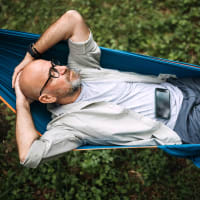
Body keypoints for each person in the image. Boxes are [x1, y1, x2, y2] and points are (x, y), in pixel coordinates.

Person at [12, 10, 199, 168]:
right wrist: (21, 102)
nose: (62, 68)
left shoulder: (83, 68)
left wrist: (31, 54)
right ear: (46, 98)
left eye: (55, 64)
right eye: (53, 74)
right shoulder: (69, 126)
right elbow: (29, 154)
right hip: (183, 123)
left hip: (179, 87)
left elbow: (72, 19)